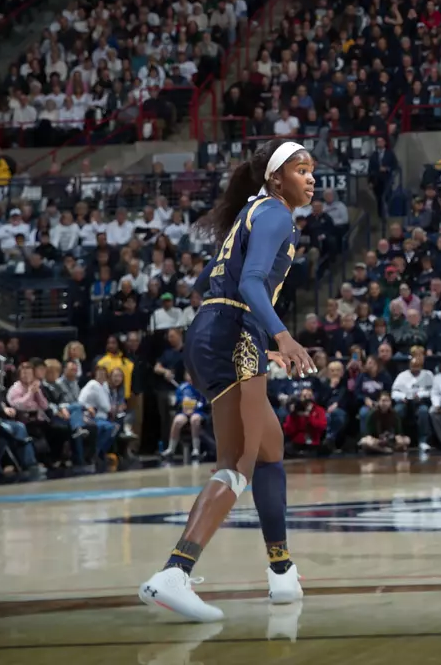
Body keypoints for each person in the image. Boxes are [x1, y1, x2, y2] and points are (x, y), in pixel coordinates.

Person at [136, 140, 318, 622]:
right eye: (302, 170)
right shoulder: (276, 213)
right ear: (277, 178)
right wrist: (281, 333)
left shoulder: (252, 212)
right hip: (235, 333)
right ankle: (174, 572)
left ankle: (281, 572)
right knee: (238, 463)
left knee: (270, 450)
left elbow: (215, 287)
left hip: (217, 329)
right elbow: (251, 283)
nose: (311, 178)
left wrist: (263, 339)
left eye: (312, 171)